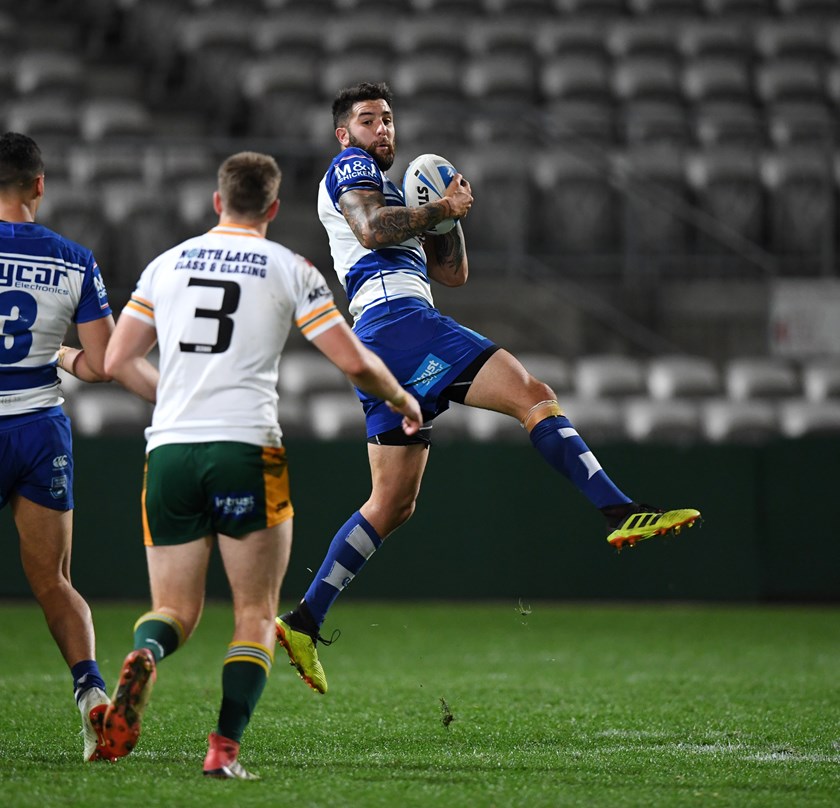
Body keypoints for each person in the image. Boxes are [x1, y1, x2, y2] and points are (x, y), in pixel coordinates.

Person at [275, 82, 702, 695]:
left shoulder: (396, 188)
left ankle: (304, 622)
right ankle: (621, 510)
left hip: (385, 337)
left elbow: (453, 273)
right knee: (533, 393)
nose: (382, 130)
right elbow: (371, 231)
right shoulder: (351, 168)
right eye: (368, 121)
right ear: (344, 134)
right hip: (401, 324)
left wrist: (448, 213)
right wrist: (435, 211)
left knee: (392, 504)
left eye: (389, 119)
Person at [98, 151, 422, 778]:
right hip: (247, 447)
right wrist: (401, 399)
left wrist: (178, 399)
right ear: (273, 209)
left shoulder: (165, 264)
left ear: (218, 202)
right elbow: (352, 360)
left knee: (174, 611)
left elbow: (114, 361)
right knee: (253, 613)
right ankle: (222, 752)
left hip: (169, 450)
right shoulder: (288, 267)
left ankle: (146, 653)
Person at [0, 132, 115, 760]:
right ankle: (93, 695)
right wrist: (63, 354)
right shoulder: (74, 259)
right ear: (39, 185)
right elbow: (101, 364)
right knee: (55, 581)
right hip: (40, 429)